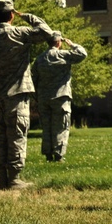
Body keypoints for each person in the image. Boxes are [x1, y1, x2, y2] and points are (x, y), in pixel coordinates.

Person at [0, 0, 53, 189]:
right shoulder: (20, 33)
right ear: (11, 14)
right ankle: (15, 178)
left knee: (0, 135)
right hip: (17, 93)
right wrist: (27, 16)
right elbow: (47, 33)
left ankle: (2, 178)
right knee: (17, 134)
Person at [32, 30, 88, 163]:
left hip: (44, 98)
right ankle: (58, 155)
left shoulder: (39, 59)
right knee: (61, 126)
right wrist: (72, 44)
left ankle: (48, 154)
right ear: (58, 42)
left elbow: (33, 78)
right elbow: (82, 54)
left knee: (47, 127)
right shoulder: (63, 55)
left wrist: (36, 96)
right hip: (61, 96)